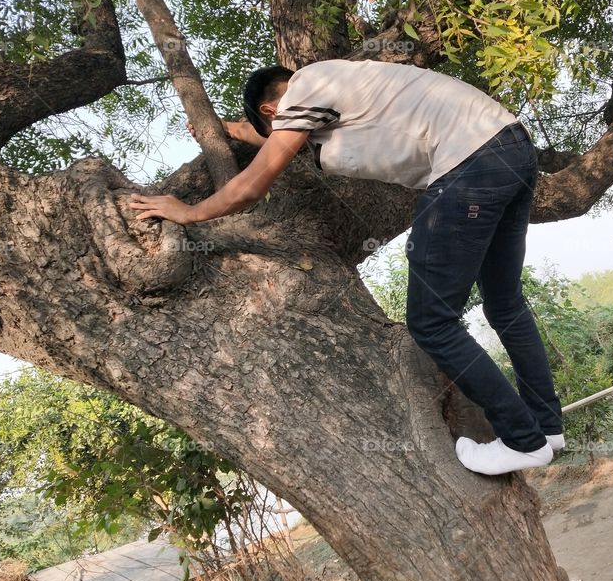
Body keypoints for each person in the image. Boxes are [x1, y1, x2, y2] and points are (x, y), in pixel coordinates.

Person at [129, 59, 564, 476]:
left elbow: (252, 185)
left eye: (276, 126)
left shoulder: (303, 90)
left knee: (432, 322)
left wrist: (186, 211)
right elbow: (279, 141)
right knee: (504, 304)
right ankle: (547, 427)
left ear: (272, 110)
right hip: (511, 151)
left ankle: (522, 441)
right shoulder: (348, 88)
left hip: (466, 166)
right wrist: (224, 129)